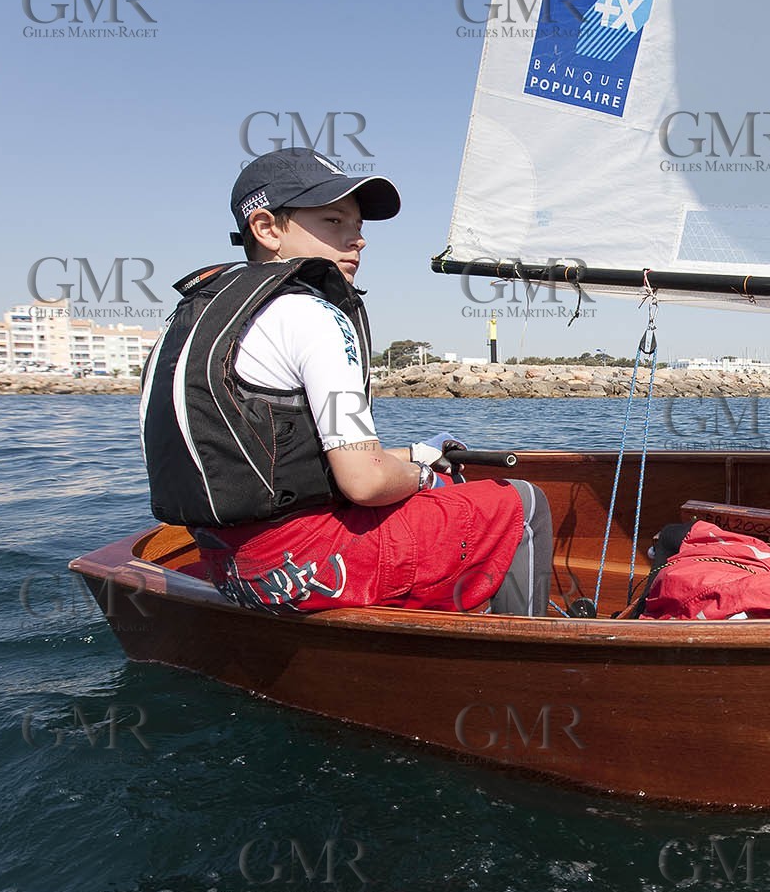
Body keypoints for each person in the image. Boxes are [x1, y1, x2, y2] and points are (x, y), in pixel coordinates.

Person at [139, 147, 551, 615]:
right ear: (268, 228)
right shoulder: (312, 315)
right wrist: (423, 476)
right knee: (520, 502)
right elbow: (365, 482)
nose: (357, 240)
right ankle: (529, 658)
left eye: (357, 226)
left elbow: (285, 461)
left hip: (233, 567)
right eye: (334, 222)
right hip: (310, 566)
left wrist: (415, 453)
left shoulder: (195, 318)